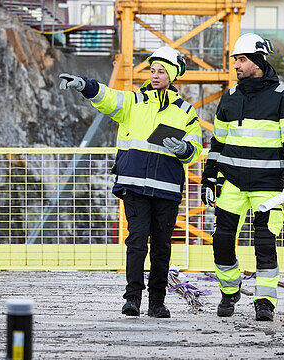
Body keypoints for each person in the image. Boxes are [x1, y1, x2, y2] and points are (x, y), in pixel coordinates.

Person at [59, 47, 203, 318]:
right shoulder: (133, 102)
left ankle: (157, 303)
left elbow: (195, 148)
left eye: (161, 71)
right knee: (137, 242)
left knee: (162, 246)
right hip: (135, 185)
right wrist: (84, 85)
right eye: (153, 70)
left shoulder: (185, 111)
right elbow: (107, 97)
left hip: (166, 189)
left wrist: (183, 149)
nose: (156, 75)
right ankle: (132, 299)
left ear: (171, 75)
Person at [201, 34, 284, 322]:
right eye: (235, 59)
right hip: (232, 184)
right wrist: (209, 178)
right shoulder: (230, 98)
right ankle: (230, 290)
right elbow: (217, 143)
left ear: (258, 63)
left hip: (268, 187)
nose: (236, 65)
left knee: (264, 243)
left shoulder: (283, 96)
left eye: (242, 59)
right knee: (221, 241)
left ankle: (265, 301)